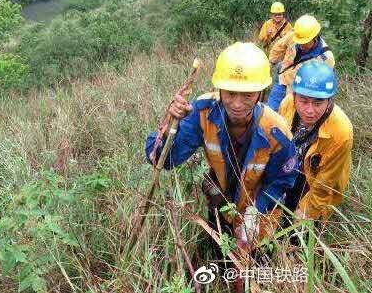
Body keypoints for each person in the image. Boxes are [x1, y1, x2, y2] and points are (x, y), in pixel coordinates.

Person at [145, 42, 297, 254]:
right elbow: (162, 159)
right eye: (230, 93)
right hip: (220, 206)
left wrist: (256, 212)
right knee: (221, 259)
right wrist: (170, 123)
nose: (237, 104)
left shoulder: (277, 132)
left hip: (260, 217)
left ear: (261, 93)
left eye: (247, 95)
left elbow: (282, 182)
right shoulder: (203, 112)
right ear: (219, 89)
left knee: (253, 269)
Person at [278, 60, 353, 223]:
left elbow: (323, 187)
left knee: (298, 231)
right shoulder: (287, 105)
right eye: (303, 101)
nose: (309, 111)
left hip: (313, 182)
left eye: (318, 103)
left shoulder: (341, 132)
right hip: (290, 171)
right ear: (294, 95)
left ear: (329, 101)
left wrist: (305, 213)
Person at [267, 14, 334, 111]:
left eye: (305, 42)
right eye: (299, 41)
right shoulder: (294, 35)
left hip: (298, 92)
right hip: (282, 79)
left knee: (287, 118)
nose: (301, 44)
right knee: (270, 112)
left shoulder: (326, 58)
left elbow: (319, 86)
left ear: (314, 36)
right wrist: (272, 61)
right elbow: (279, 46)